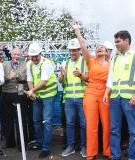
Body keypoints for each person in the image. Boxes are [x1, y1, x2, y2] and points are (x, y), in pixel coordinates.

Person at [71, 21, 111, 159]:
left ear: (107, 52)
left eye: (102, 47)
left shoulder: (112, 64)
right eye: (97, 47)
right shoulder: (91, 61)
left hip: (106, 93)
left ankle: (107, 151)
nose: (99, 48)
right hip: (91, 93)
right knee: (91, 125)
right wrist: (77, 31)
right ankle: (91, 153)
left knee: (107, 125)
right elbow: (82, 45)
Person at [104, 30, 135, 160]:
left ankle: (132, 156)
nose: (115, 44)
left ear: (126, 40)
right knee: (114, 129)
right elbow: (110, 78)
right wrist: (106, 93)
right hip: (115, 98)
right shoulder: (115, 58)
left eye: (118, 41)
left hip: (130, 99)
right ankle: (115, 156)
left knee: (133, 131)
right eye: (115, 42)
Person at [26, 42, 57, 159]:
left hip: (49, 95)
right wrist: (31, 92)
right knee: (36, 120)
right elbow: (29, 80)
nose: (34, 58)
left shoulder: (46, 63)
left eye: (36, 56)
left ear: (40, 54)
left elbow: (44, 82)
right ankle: (39, 143)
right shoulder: (29, 64)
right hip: (37, 96)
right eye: (32, 56)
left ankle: (46, 148)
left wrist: (32, 91)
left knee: (47, 121)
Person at [58, 38, 88, 158]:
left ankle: (83, 146)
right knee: (70, 123)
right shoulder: (65, 63)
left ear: (79, 50)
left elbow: (89, 79)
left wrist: (81, 75)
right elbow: (63, 83)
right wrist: (61, 76)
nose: (71, 53)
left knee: (83, 124)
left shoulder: (85, 62)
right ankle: (70, 146)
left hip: (82, 97)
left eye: (74, 51)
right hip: (69, 98)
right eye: (70, 51)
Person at [1, 48, 29, 150]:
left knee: (20, 119)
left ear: (21, 55)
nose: (16, 56)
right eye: (14, 54)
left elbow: (26, 78)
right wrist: (8, 77)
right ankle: (9, 142)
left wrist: (16, 75)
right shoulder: (4, 64)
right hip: (6, 94)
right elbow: (0, 78)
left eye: (18, 55)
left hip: (19, 94)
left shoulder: (25, 64)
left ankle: (22, 144)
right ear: (11, 55)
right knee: (7, 119)